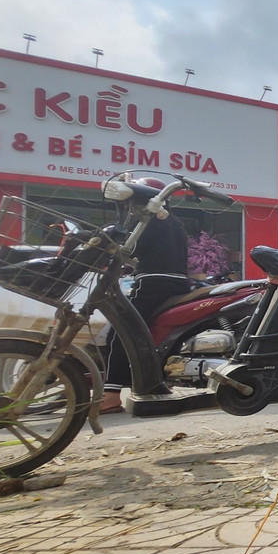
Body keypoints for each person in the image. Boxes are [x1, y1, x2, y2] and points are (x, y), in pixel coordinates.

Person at [102, 177, 190, 413]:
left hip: (154, 282)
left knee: (121, 332)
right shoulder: (172, 222)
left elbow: (131, 249)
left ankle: (110, 395)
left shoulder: (151, 219)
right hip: (176, 282)